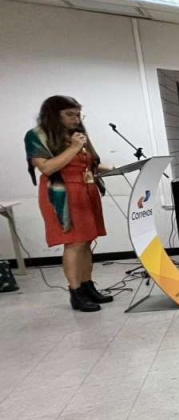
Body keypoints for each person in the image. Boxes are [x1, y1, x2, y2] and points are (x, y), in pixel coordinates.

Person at [25, 95, 114, 312]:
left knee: (86, 242)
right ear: (53, 115)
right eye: (70, 114)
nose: (76, 119)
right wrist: (74, 147)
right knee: (73, 243)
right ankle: (76, 293)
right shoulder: (37, 135)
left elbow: (87, 164)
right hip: (62, 194)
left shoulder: (76, 135)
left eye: (78, 114)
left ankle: (87, 286)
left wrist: (115, 168)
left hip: (86, 190)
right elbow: (47, 168)